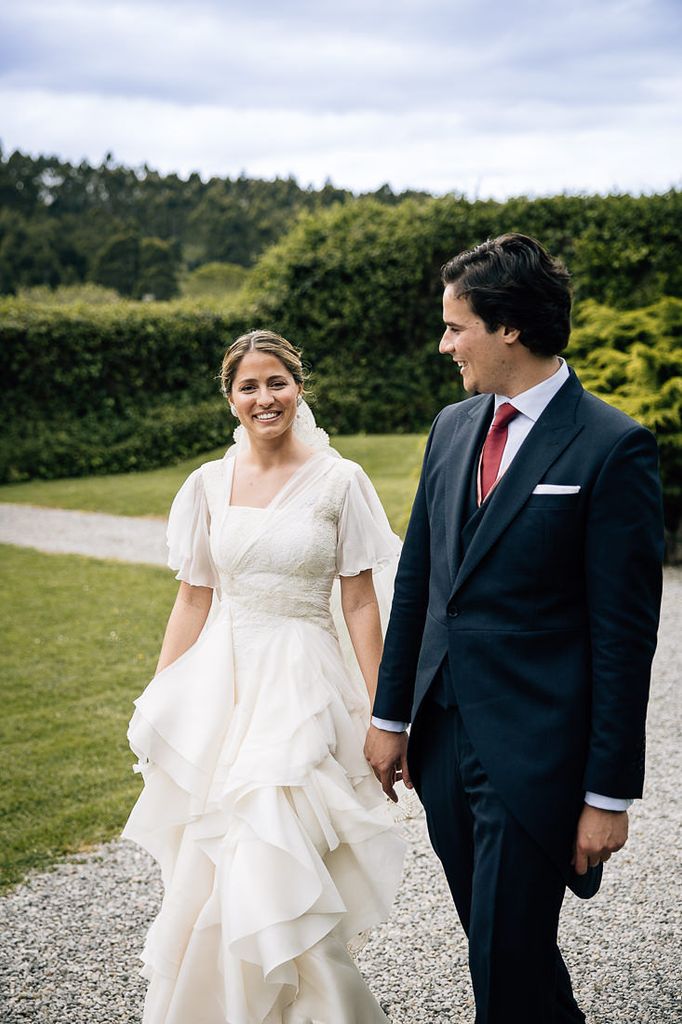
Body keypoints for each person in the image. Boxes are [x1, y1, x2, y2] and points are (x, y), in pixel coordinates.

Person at [365, 234, 664, 1023]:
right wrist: (391, 717)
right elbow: (421, 582)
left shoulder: (613, 447)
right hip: (442, 739)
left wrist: (607, 794)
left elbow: (625, 638)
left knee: (503, 954)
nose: (444, 343)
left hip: (537, 754)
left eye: (456, 326)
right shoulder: (452, 428)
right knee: (507, 950)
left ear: (510, 329)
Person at [123, 329, 406, 1024]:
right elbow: (193, 598)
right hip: (225, 688)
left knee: (277, 852)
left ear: (299, 387)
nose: (264, 397)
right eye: (248, 386)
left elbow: (361, 601)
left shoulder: (341, 481)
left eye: (276, 381)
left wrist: (383, 714)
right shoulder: (207, 486)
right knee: (213, 865)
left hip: (302, 687)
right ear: (230, 399)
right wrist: (160, 702)